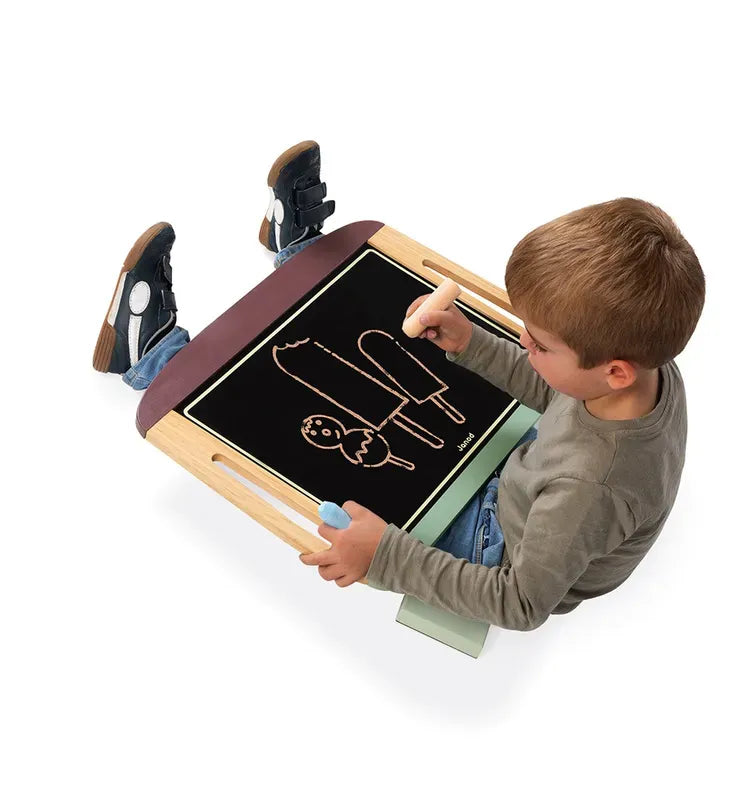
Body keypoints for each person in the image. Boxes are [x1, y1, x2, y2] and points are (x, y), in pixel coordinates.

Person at [93, 141, 705, 632]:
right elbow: (560, 396)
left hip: (503, 544)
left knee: (319, 445)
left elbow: (520, 602)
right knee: (406, 349)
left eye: (539, 344)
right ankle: (304, 257)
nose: (527, 344)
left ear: (615, 370)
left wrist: (383, 556)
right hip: (542, 484)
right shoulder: (642, 370)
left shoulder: (587, 489)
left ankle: (151, 356)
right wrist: (474, 344)